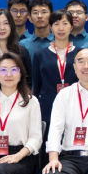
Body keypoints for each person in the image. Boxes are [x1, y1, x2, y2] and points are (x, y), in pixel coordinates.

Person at [29, 9, 78, 138]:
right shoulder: (40, 54)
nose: (61, 28)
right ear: (50, 27)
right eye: (56, 24)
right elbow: (36, 85)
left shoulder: (80, 53)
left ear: (71, 27)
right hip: (47, 108)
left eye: (65, 23)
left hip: (74, 106)